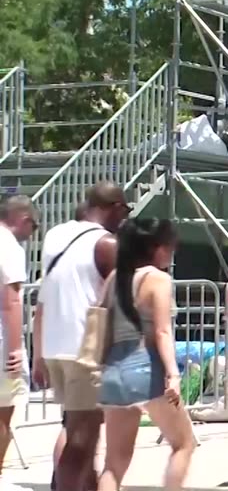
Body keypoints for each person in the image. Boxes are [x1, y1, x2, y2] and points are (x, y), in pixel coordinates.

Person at [34, 182, 131, 491]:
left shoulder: (55, 235)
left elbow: (46, 296)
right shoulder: (106, 244)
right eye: (124, 210)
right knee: (82, 439)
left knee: (80, 436)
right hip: (86, 350)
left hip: (55, 345)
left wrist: (38, 353)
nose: (124, 218)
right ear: (113, 207)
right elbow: (122, 299)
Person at [97, 219, 195, 491]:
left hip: (112, 372)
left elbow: (101, 327)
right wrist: (173, 374)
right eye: (170, 246)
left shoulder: (113, 279)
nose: (172, 252)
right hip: (145, 369)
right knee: (184, 444)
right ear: (156, 247)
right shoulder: (157, 279)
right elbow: (163, 331)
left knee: (113, 464)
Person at [0, 196, 37, 491]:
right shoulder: (9, 247)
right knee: (4, 408)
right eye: (34, 226)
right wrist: (15, 348)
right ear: (23, 219)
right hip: (1, 339)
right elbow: (11, 301)